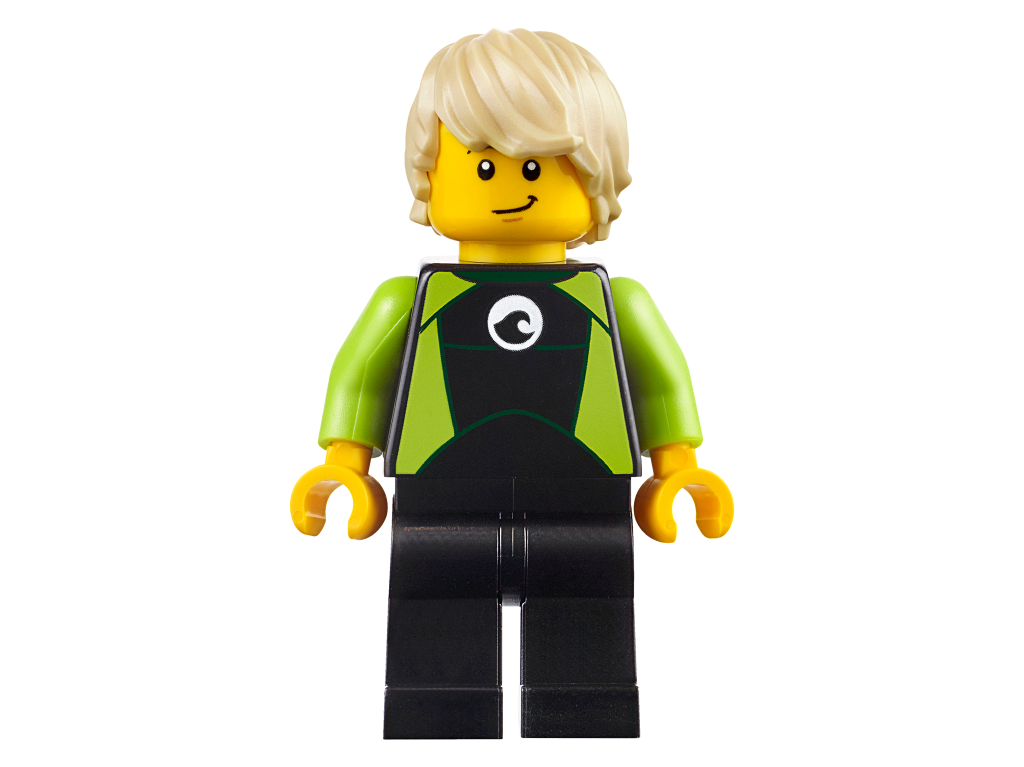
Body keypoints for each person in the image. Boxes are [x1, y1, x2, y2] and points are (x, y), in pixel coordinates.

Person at [290, 28, 733, 739]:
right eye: (483, 166)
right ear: (431, 173)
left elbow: (659, 381)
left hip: (584, 493)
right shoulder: (408, 300)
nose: (510, 188)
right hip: (439, 495)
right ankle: (440, 721)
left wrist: (676, 468)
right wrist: (345, 463)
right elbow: (362, 375)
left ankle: (581, 721)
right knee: (436, 611)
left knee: (586, 611)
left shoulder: (616, 303)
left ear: (594, 179)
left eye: (536, 168)